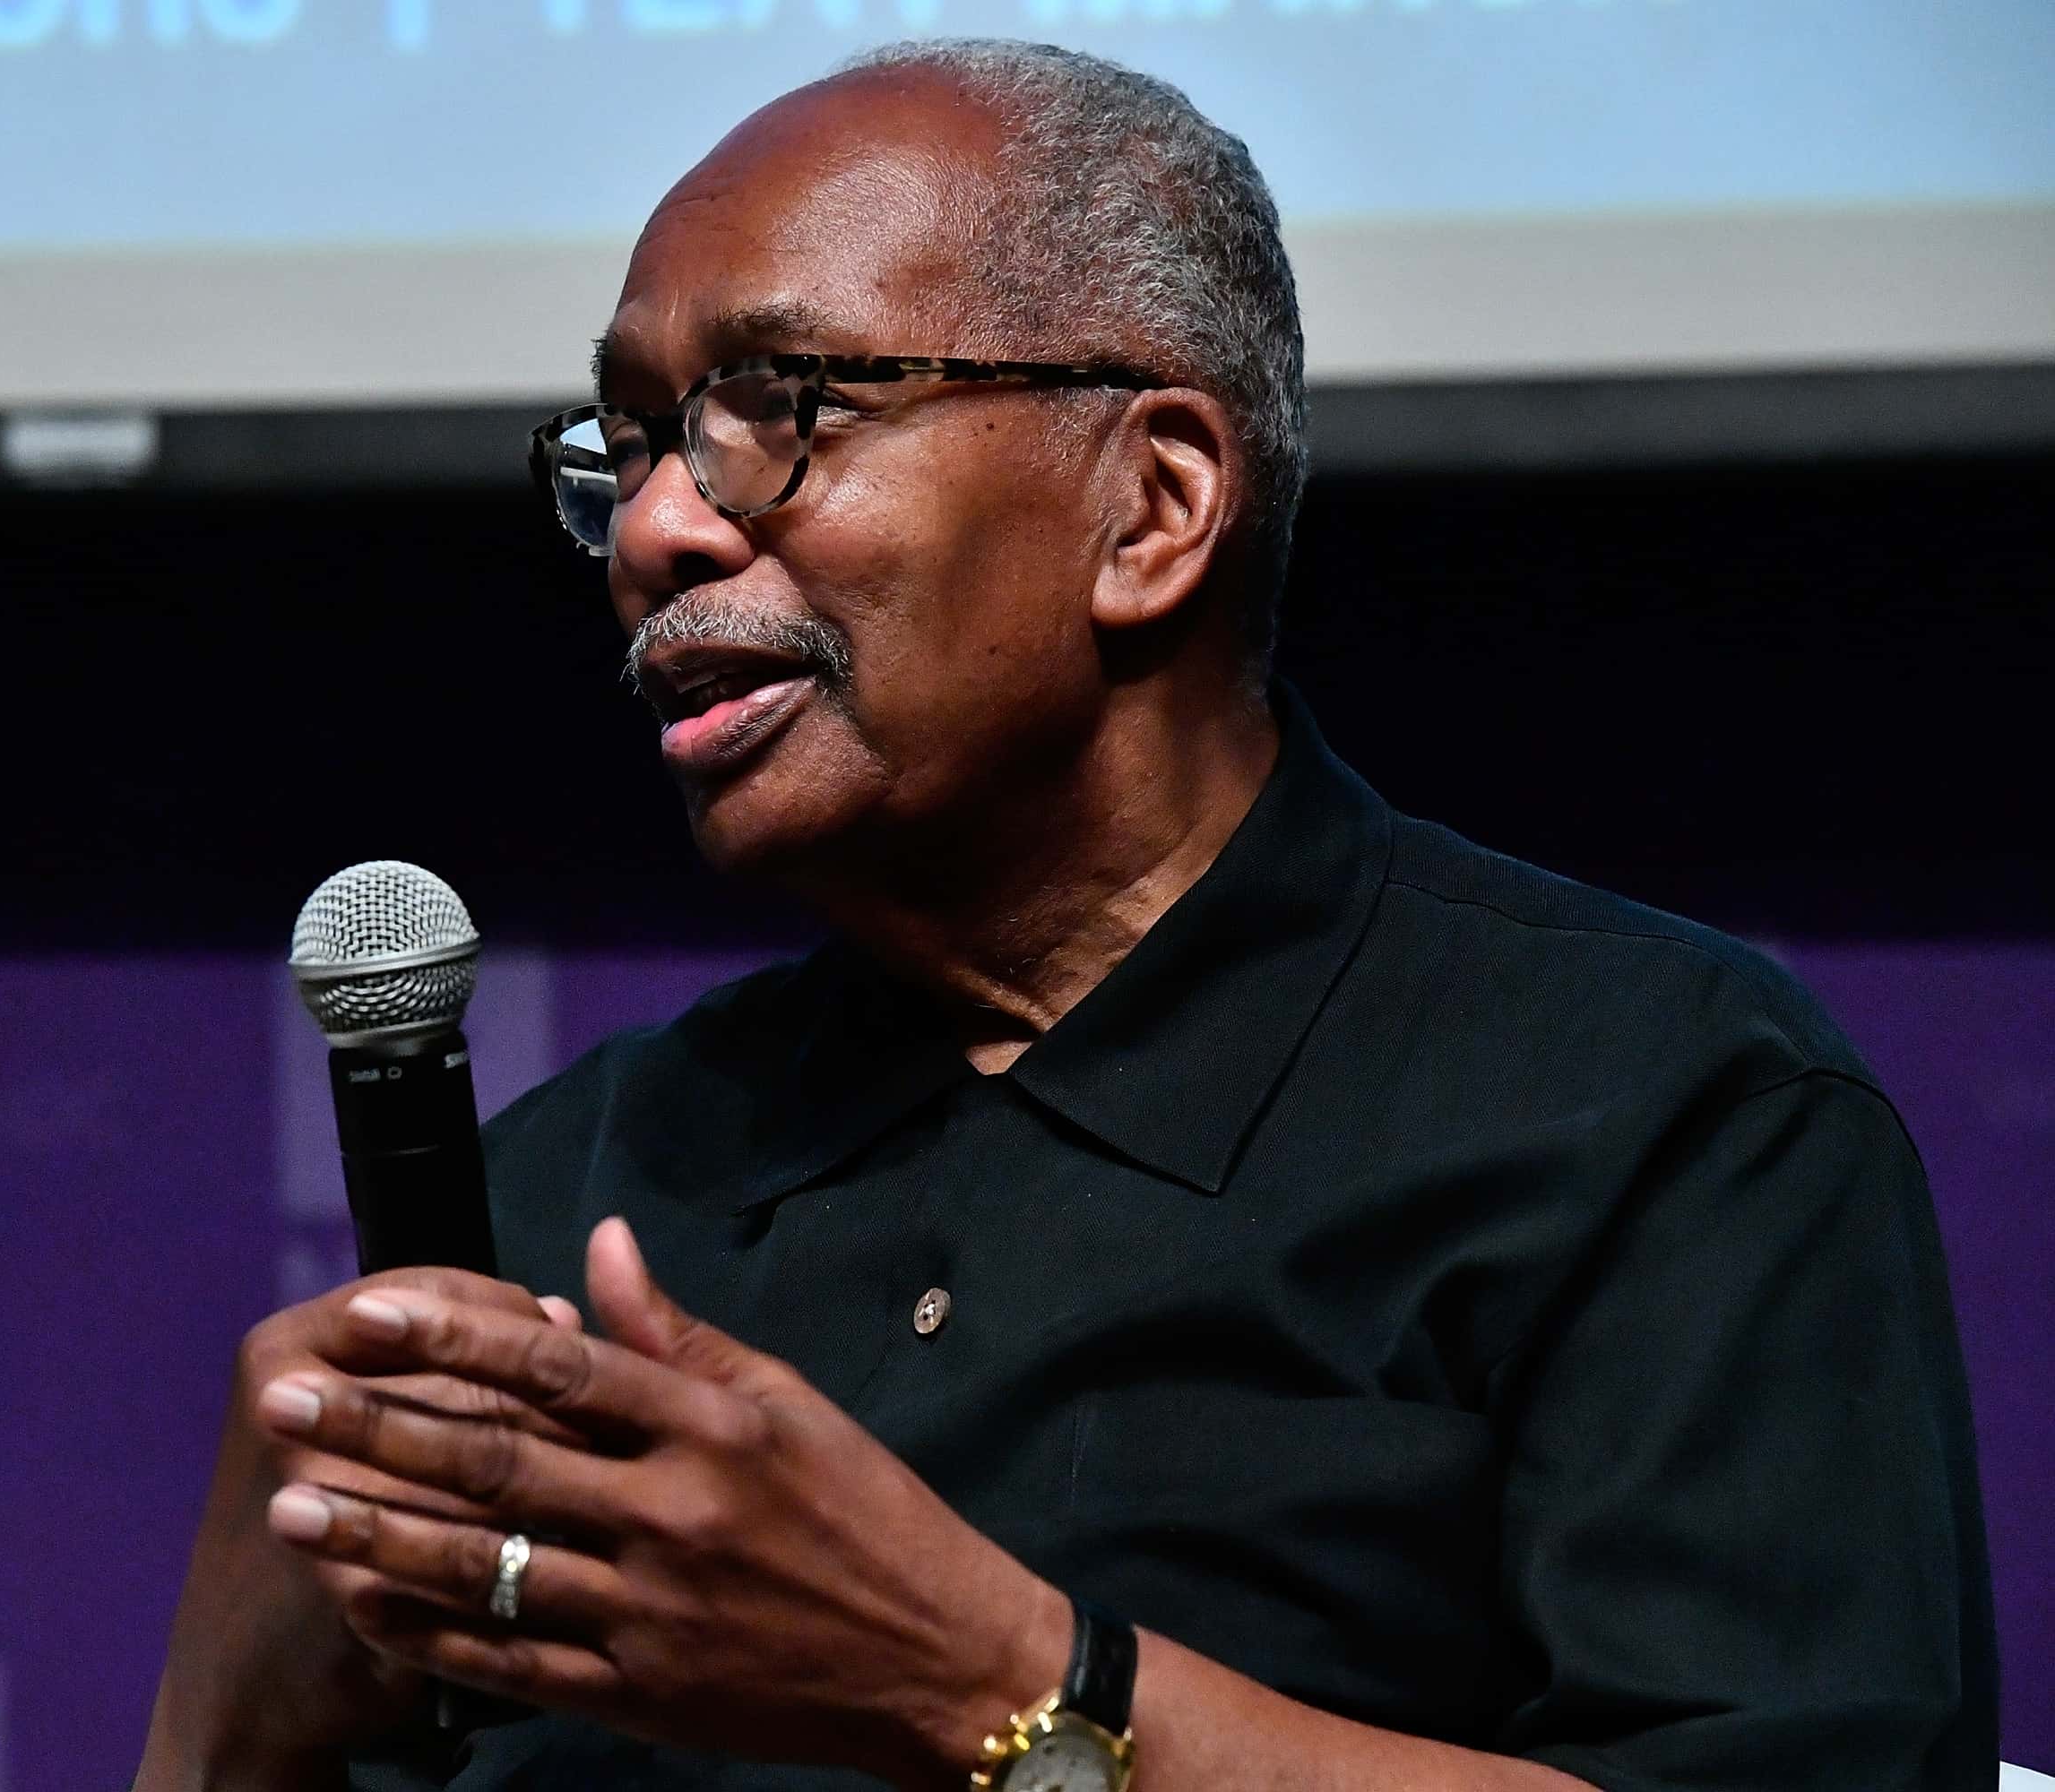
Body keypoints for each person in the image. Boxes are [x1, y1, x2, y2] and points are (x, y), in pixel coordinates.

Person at [136, 39, 1996, 1792]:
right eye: (625, 444)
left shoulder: (1651, 1123)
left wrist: (999, 1688)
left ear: (1156, 504)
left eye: (783, 409)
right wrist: (228, 1720)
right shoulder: (572, 1203)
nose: (654, 531)